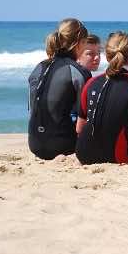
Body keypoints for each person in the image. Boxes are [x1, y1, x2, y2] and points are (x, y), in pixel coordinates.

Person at [75, 31, 128, 165]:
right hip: (116, 156)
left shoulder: (90, 83)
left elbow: (79, 128)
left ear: (107, 57)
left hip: (83, 154)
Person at [28, 18, 91, 160]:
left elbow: (32, 108)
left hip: (34, 144)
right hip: (63, 146)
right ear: (79, 43)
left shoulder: (39, 67)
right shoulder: (78, 71)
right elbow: (87, 115)